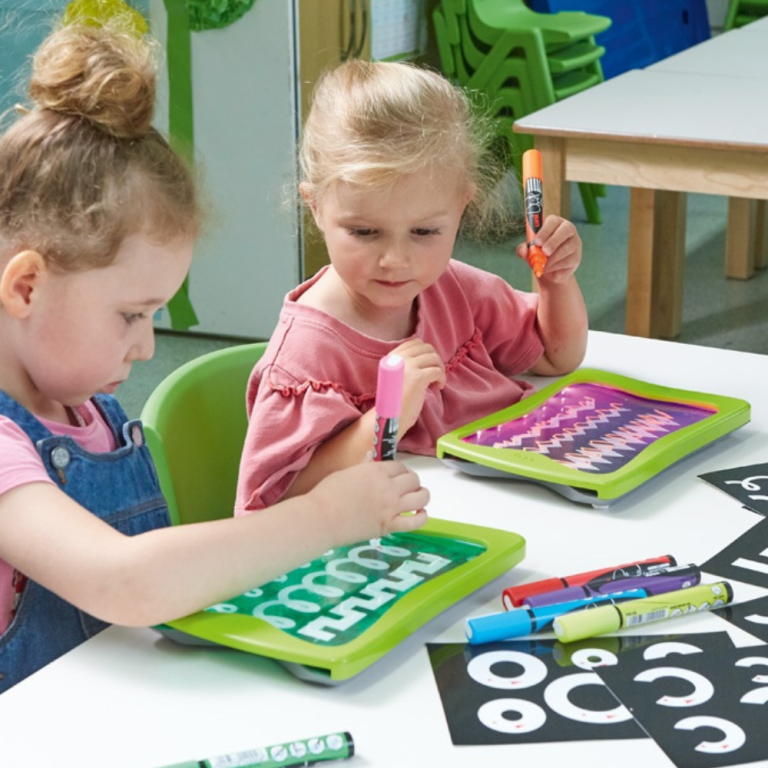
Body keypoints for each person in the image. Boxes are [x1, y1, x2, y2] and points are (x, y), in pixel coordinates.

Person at [0, 21, 428, 692]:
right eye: (131, 315)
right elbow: (125, 581)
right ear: (26, 287)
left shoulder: (87, 411)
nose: (146, 346)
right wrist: (324, 517)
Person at [235, 59, 588, 515]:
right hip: (403, 546)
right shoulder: (306, 358)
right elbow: (270, 504)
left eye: (424, 232)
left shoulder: (452, 288)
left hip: (515, 507)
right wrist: (384, 418)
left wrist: (556, 283)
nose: (395, 261)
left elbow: (556, 356)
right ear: (316, 206)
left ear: (462, 204)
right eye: (364, 232)